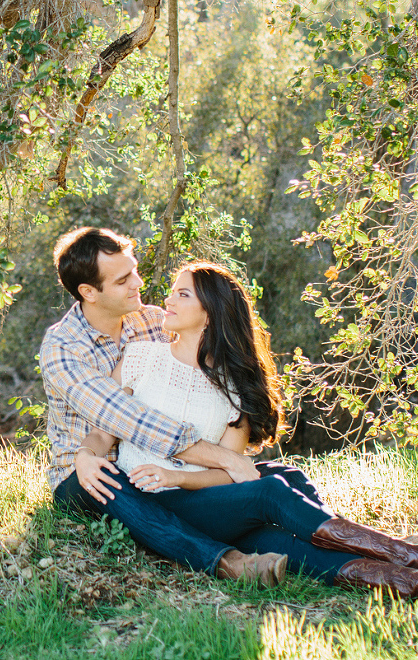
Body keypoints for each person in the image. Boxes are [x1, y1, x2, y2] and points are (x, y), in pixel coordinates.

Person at [70, 259, 418, 607]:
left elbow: (230, 473)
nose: (168, 301)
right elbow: (104, 435)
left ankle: (415, 585)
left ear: (210, 313)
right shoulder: (140, 358)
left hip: (201, 499)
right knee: (273, 490)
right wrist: (86, 455)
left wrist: (177, 476)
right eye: (173, 293)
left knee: (283, 538)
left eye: (182, 294)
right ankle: (410, 555)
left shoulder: (234, 387)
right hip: (149, 502)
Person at [40, 227, 290, 585]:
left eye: (135, 270)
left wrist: (233, 439)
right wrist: (225, 459)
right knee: (113, 484)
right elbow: (125, 418)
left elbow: (197, 381)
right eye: (123, 280)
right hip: (86, 473)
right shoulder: (62, 348)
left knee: (274, 481)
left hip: (157, 471)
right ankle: (228, 563)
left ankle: (371, 553)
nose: (138, 283)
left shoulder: (151, 321)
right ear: (88, 292)